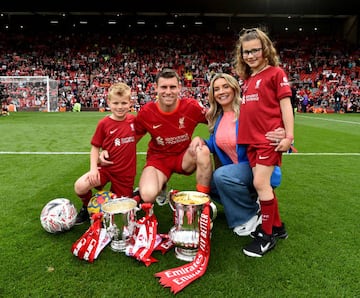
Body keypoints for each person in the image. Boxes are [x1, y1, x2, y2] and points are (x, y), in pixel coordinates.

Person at [189, 73, 285, 237]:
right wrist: (201, 140)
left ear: (234, 89)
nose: (221, 92)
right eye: (216, 89)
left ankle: (248, 218)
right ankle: (254, 205)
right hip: (235, 173)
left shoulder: (247, 110)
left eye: (225, 87)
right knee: (209, 183)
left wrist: (282, 135)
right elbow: (219, 143)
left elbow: (271, 130)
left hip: (257, 169)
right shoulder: (218, 117)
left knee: (221, 176)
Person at [100, 68, 212, 204]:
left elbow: (216, 123)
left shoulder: (191, 106)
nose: (168, 91)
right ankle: (161, 185)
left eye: (172, 87)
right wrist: (106, 150)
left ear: (179, 88)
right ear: (156, 88)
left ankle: (202, 203)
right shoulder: (146, 112)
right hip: (159, 160)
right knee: (147, 195)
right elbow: (129, 139)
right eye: (164, 87)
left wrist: (202, 140)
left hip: (184, 158)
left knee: (203, 150)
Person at [234, 28, 294, 257]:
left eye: (255, 51)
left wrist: (288, 136)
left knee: (260, 184)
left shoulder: (275, 73)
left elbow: (286, 105)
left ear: (265, 50)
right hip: (251, 142)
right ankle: (278, 227)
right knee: (263, 185)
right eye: (246, 52)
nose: (250, 56)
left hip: (268, 140)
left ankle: (266, 236)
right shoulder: (248, 79)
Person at [74, 82, 137, 225]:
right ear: (108, 102)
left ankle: (135, 195)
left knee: (120, 213)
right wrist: (93, 169)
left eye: (123, 103)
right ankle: (86, 206)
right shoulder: (104, 124)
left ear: (130, 103)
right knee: (80, 186)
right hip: (106, 169)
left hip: (125, 175)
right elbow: (95, 147)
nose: (120, 107)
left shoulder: (134, 121)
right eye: (115, 103)